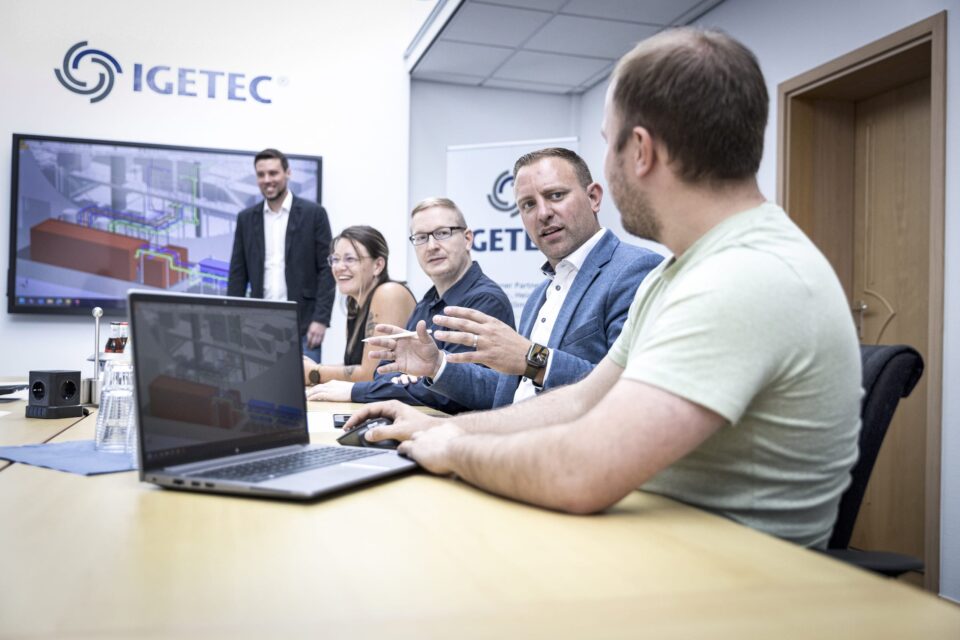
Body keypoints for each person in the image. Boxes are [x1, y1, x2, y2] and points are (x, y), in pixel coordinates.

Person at [351, 28, 861, 549]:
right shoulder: (682, 272)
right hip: (661, 549)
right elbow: (581, 403)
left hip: (725, 585)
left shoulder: (743, 276)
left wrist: (452, 450)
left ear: (638, 150)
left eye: (605, 141)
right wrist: (442, 431)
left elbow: (581, 470)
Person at [366, 148, 662, 411]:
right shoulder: (539, 296)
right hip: (511, 438)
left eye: (556, 195)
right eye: (528, 205)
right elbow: (507, 393)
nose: (543, 213)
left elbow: (630, 395)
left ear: (594, 197)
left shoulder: (634, 269)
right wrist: (437, 366)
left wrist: (531, 358)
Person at [305, 198, 514, 413]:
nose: (432, 246)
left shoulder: (485, 300)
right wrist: (415, 380)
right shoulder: (427, 303)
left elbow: (452, 392)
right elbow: (384, 373)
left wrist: (355, 390)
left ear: (467, 239)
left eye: (442, 233)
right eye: (421, 238)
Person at [227, 148, 335, 362]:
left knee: (305, 393)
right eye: (261, 174)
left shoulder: (314, 214)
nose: (267, 180)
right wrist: (233, 321)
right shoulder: (246, 219)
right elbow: (237, 274)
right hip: (256, 325)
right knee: (258, 386)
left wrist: (320, 319)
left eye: (273, 173)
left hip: (303, 326)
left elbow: (327, 269)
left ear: (288, 173)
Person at [302, 226, 416, 383]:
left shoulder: (389, 293)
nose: (339, 267)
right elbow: (353, 367)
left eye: (350, 259)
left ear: (378, 265)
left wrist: (315, 372)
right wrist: (310, 368)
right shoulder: (354, 303)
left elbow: (371, 374)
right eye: (335, 259)